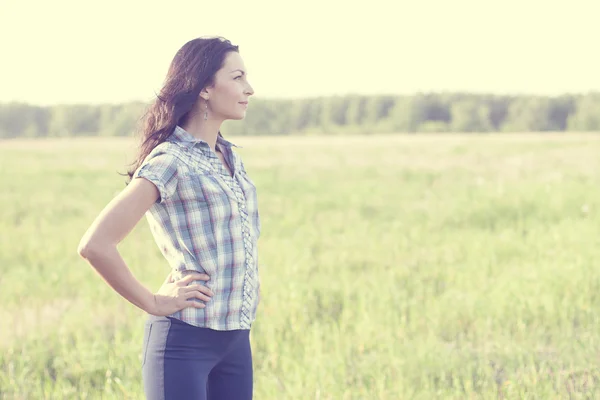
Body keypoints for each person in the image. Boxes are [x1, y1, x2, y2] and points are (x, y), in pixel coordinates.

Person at [77, 36, 260, 400]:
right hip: (183, 344)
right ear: (206, 87)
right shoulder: (171, 160)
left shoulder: (228, 156)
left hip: (236, 341)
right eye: (238, 77)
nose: (249, 89)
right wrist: (154, 302)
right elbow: (96, 245)